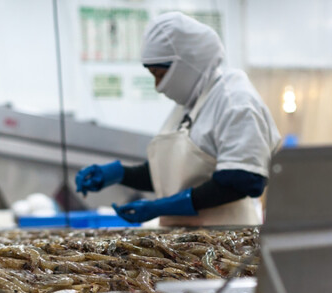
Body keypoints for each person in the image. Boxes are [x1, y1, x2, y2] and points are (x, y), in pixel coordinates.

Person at [76, 12, 281, 226]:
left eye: (160, 75)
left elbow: (243, 180)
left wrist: (160, 206)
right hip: (187, 242)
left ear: (186, 64)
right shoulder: (191, 104)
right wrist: (119, 174)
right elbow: (173, 175)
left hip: (228, 243)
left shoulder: (235, 101)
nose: (158, 86)